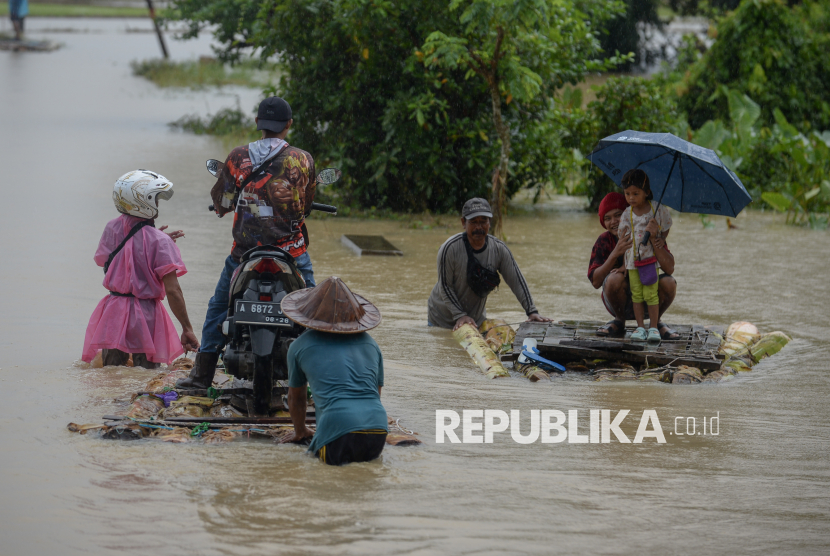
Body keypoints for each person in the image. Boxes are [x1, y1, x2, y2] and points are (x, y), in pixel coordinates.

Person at [178, 96, 316, 388]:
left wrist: (227, 206)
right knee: (313, 307)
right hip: (290, 252)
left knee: (219, 306)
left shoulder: (238, 157)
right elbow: (305, 205)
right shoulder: (303, 159)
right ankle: (320, 375)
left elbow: (223, 201)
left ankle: (202, 376)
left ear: (257, 123)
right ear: (289, 124)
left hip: (245, 254)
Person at [82, 170, 199, 368]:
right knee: (145, 375)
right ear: (144, 202)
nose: (158, 203)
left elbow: (105, 261)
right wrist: (187, 328)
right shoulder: (160, 241)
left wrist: (148, 242)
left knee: (110, 373)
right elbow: (173, 291)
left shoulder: (111, 228)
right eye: (155, 199)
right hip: (145, 315)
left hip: (114, 310)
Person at [279, 276, 388, 466]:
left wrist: (300, 431)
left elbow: (296, 398)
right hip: (378, 426)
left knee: (323, 479)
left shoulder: (298, 346)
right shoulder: (372, 344)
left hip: (337, 428)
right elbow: (375, 394)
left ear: (309, 314)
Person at [427, 198, 551, 330]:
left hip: (475, 319)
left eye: (483, 221)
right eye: (473, 222)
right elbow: (445, 286)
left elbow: (516, 281)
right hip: (441, 319)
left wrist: (532, 311)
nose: (478, 227)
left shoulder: (499, 249)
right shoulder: (449, 248)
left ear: (489, 222)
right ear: (463, 223)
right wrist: (460, 315)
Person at [588, 192, 679, 339]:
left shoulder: (646, 233)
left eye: (618, 215)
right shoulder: (604, 240)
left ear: (628, 215)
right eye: (607, 218)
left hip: (649, 297)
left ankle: (656, 323)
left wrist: (653, 239)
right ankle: (619, 321)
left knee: (669, 282)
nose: (614, 222)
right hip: (619, 303)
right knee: (613, 279)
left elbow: (670, 269)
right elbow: (595, 282)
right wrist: (615, 253)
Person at [615, 169, 674, 342]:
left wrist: (661, 238)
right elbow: (623, 238)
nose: (631, 198)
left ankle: (653, 328)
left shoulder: (657, 209)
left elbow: (667, 224)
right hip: (633, 262)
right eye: (627, 194)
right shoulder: (627, 213)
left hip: (650, 261)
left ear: (647, 192)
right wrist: (624, 263)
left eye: (636, 193)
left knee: (651, 294)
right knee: (637, 295)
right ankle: (640, 327)